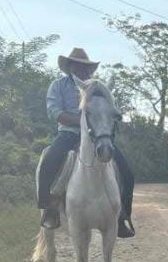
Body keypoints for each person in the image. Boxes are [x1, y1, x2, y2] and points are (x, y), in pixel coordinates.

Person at [38, 47, 135, 237]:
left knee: (127, 173)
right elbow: (54, 112)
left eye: (86, 67)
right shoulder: (58, 86)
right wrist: (81, 121)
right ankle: (49, 208)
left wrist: (111, 117)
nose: (82, 70)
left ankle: (122, 216)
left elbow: (111, 110)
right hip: (69, 134)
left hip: (97, 135)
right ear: (70, 67)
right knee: (49, 162)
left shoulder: (99, 88)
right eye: (78, 66)